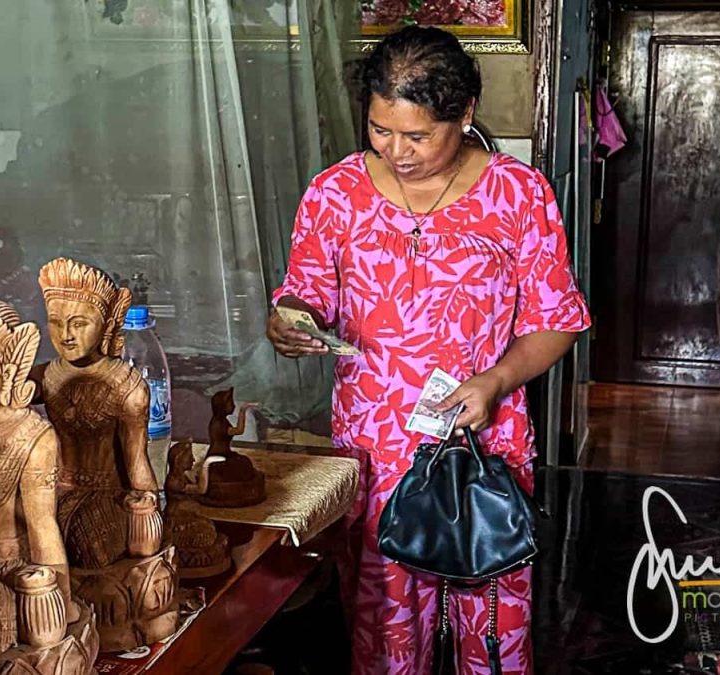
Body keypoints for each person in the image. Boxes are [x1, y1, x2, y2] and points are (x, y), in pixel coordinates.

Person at [266, 25, 590, 675]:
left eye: (417, 135)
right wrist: (289, 322)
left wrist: (496, 381)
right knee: (383, 620)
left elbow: (558, 321)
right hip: (374, 444)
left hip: (481, 441)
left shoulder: (518, 195)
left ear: (465, 114)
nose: (397, 151)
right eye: (381, 131)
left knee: (490, 614)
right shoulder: (335, 194)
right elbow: (303, 295)